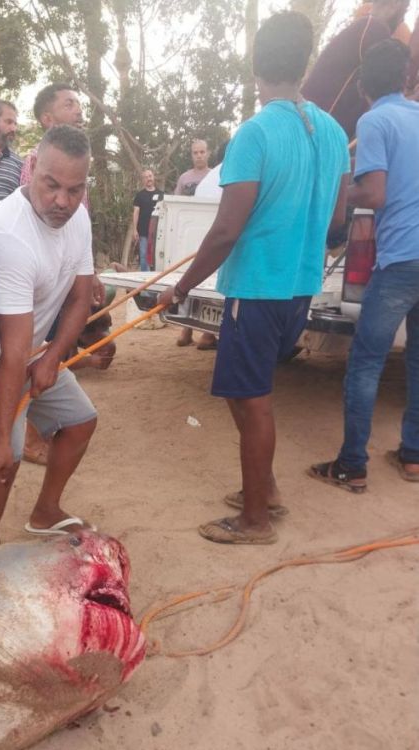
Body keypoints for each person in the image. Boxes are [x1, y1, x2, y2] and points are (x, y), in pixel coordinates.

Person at [158, 10, 349, 545]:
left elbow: (225, 230)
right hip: (299, 286)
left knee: (251, 398)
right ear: (304, 64)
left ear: (257, 69)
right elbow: (337, 219)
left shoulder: (256, 133)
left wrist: (182, 285)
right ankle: (264, 494)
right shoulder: (333, 131)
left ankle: (256, 520)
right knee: (251, 394)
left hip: (258, 286)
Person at [0, 125, 98, 547]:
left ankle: (46, 512)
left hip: (29, 350)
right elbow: (9, 353)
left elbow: (82, 296)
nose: (62, 201)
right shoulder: (9, 236)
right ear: (30, 169)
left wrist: (52, 358)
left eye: (74, 189)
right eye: (51, 186)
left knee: (81, 421)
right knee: (2, 459)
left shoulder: (78, 216)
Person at [310, 40, 419, 491]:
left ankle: (352, 464)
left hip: (401, 263)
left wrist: (335, 193)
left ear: (362, 86)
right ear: (407, 78)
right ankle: (413, 456)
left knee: (366, 361)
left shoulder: (375, 119)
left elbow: (373, 195)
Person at [19, 82, 114, 465]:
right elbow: (36, 222)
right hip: (41, 272)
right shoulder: (33, 163)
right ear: (47, 119)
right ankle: (28, 435)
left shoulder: (80, 163)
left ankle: (48, 423)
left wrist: (88, 271)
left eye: (78, 103)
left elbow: (80, 221)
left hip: (69, 267)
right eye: (69, 104)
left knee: (59, 342)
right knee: (31, 349)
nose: (78, 110)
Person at [301, 0, 409, 139]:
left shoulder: (364, 26)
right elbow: (388, 91)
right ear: (395, 5)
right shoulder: (374, 29)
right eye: (405, 12)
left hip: (308, 120)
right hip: (317, 129)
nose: (402, 20)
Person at [175, 139, 218, 350]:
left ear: (208, 153)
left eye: (202, 151)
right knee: (187, 277)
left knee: (207, 279)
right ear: (191, 155)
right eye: (195, 152)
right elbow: (176, 204)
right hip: (188, 233)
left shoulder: (215, 176)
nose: (199, 155)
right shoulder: (185, 179)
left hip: (209, 233)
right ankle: (186, 329)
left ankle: (208, 334)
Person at [132, 170, 163, 272]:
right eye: (145, 177)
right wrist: (134, 230)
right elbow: (136, 212)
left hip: (158, 232)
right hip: (143, 231)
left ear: (153, 177)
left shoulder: (161, 194)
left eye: (150, 176)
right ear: (143, 180)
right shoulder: (139, 195)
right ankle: (144, 280)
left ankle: (156, 278)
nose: (148, 178)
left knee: (158, 255)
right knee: (144, 255)